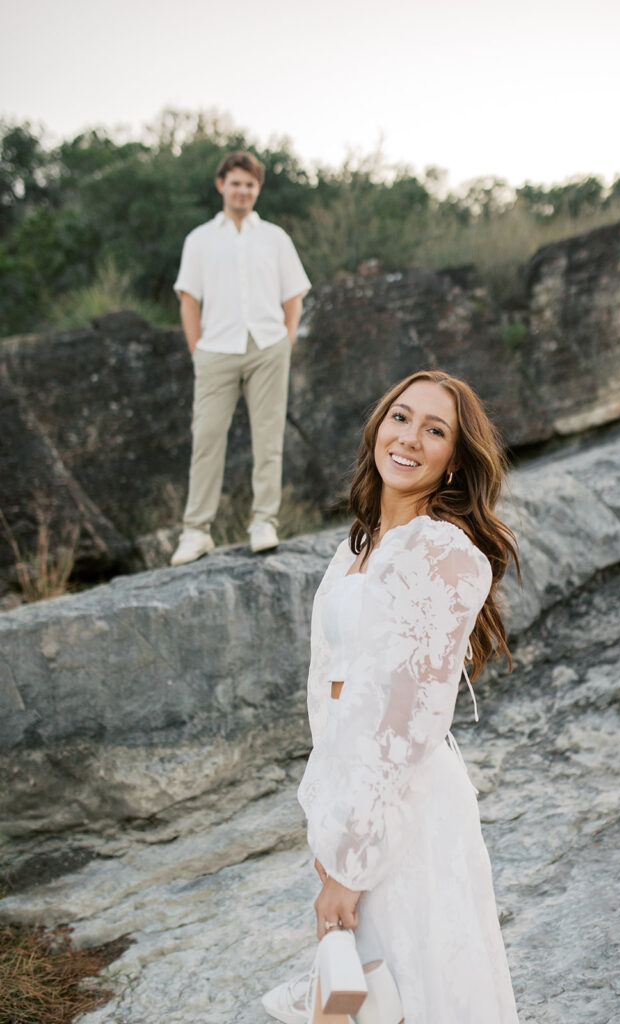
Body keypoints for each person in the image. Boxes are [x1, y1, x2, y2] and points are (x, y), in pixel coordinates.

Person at [263, 371, 521, 1023]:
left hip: (405, 809)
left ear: (455, 464)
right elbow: (331, 697)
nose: (409, 437)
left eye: (435, 430)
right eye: (400, 418)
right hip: (352, 801)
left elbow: (410, 718)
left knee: (414, 988)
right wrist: (329, 827)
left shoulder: (441, 551)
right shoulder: (355, 550)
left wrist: (352, 861)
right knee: (370, 993)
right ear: (379, 426)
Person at [170, 151, 311, 566]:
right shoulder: (199, 239)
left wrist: (284, 340)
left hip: (268, 347)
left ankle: (264, 522)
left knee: (268, 438)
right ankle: (196, 532)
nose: (243, 190)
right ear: (221, 185)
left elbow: (294, 296)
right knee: (207, 437)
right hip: (215, 350)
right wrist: (197, 349)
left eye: (250, 184)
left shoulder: (275, 237)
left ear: (258, 189)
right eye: (236, 183)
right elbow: (188, 299)